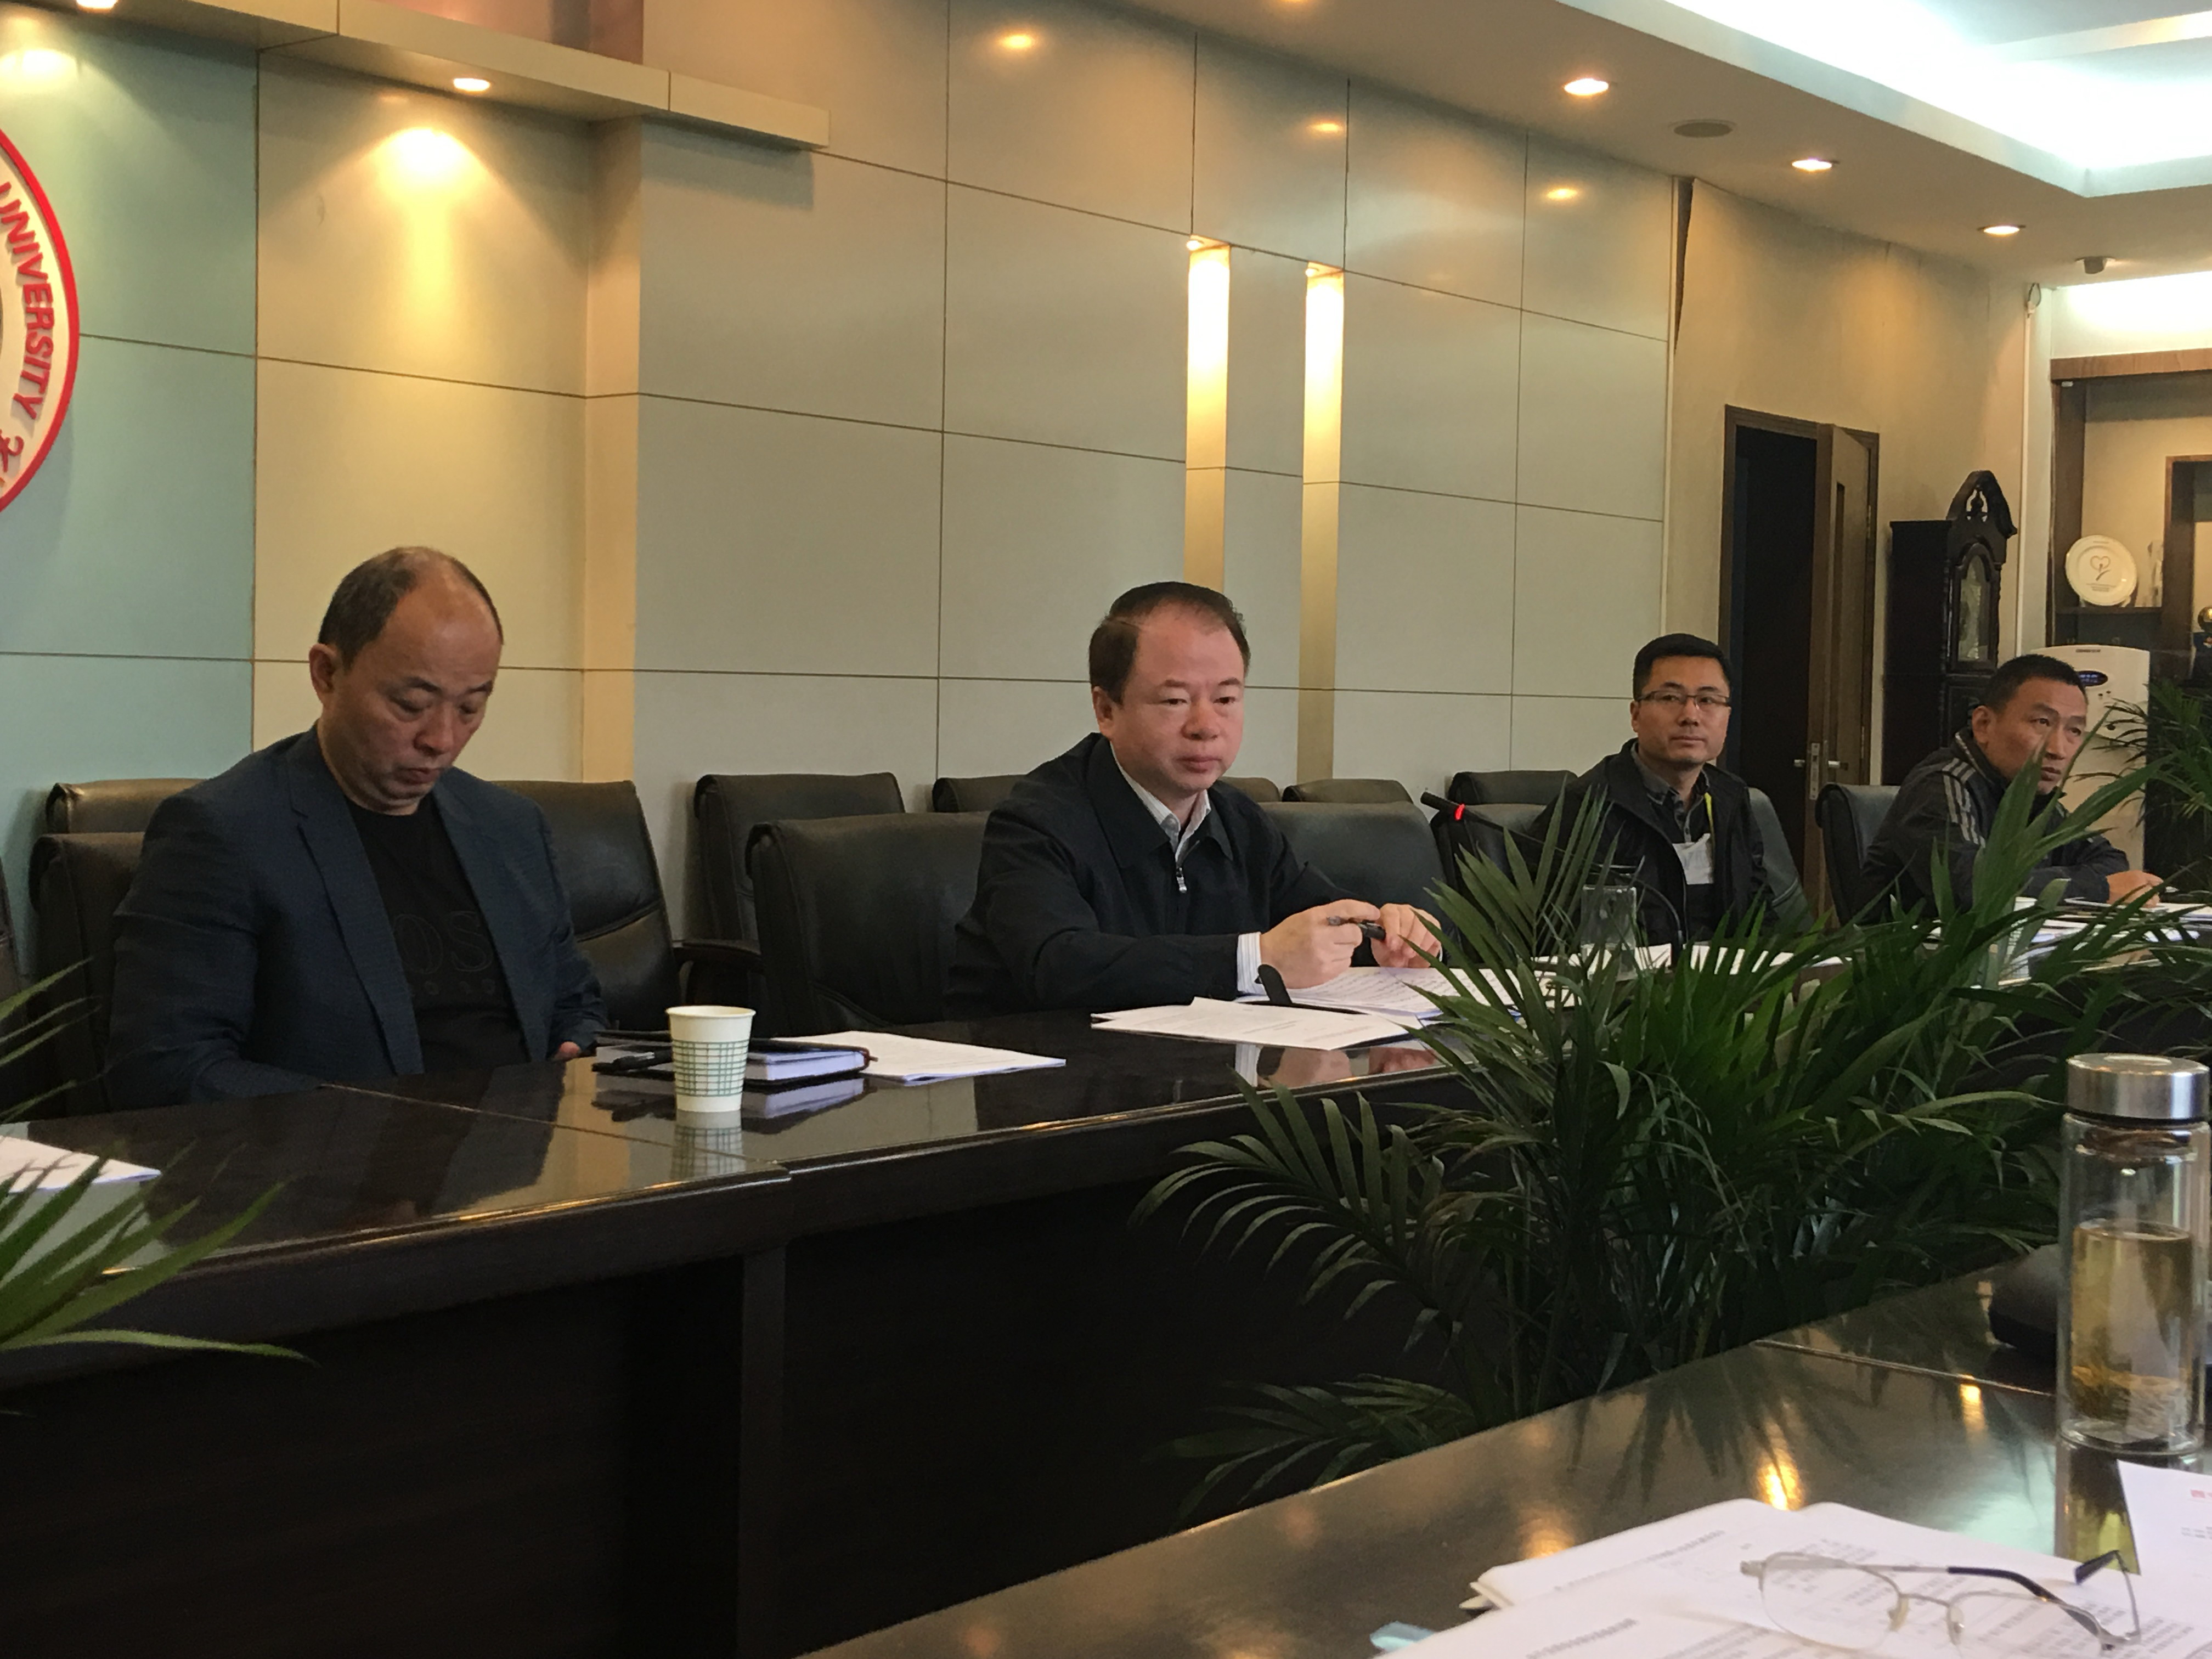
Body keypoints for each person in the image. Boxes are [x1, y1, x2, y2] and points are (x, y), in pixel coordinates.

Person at [109, 547, 605, 1106]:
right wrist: (374, 1122)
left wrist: (577, 1042)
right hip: (340, 1153)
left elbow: (574, 1001)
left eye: (470, 708)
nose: (441, 739)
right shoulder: (224, 834)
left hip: (523, 1147)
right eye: (411, 705)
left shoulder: (511, 828)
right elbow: (170, 1068)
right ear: (327, 674)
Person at [947, 582, 1442, 1015]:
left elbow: (1316, 927)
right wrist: (1255, 959)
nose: (1206, 726)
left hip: (1203, 1075)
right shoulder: (1035, 822)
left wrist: (1390, 938)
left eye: (1226, 699)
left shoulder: (1240, 821)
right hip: (1050, 1080)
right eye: (1175, 701)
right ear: (1106, 710)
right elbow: (1060, 966)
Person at [1529, 633, 1799, 945]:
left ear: (1727, 716)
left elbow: (1759, 915)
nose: (1690, 716)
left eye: (1708, 700)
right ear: (1636, 715)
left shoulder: (1731, 797)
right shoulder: (1589, 806)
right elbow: (1562, 938)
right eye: (1670, 698)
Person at [1863, 652, 2159, 911]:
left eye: (2074, 731)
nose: (2058, 749)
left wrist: (2044, 883)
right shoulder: (1942, 784)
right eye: (2042, 722)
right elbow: (1974, 889)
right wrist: (2097, 889)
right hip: (1918, 956)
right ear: (1984, 725)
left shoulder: (2028, 793)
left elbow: (2109, 861)